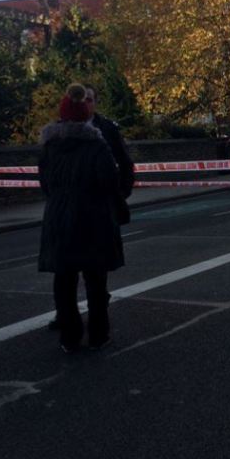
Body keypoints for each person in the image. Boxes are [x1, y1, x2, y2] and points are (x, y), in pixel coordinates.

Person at [38, 83, 125, 353]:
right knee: (95, 281)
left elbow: (45, 183)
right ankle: (99, 334)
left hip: (58, 218)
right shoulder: (96, 146)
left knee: (64, 282)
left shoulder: (49, 148)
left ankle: (70, 336)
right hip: (92, 218)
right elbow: (110, 181)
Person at [85, 86, 135, 203]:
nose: (84, 104)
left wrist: (121, 194)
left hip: (103, 203)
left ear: (96, 102)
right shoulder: (63, 131)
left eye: (88, 100)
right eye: (80, 100)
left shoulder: (108, 128)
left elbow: (125, 162)